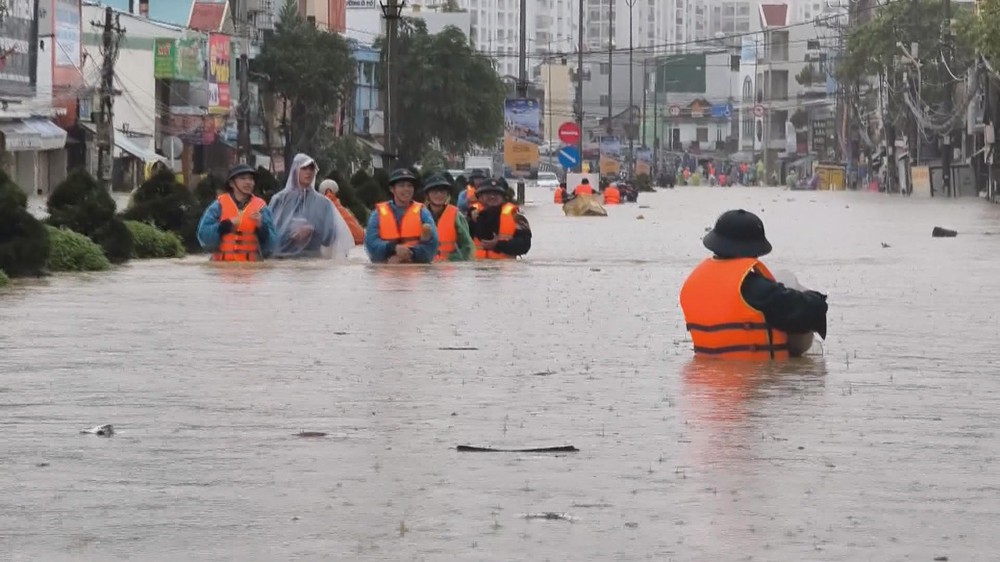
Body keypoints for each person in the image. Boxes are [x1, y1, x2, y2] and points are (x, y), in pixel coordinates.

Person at [679, 209, 828, 360]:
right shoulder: (756, 288)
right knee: (786, 279)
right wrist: (817, 298)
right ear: (755, 249)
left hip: (705, 376)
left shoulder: (693, 282)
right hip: (755, 377)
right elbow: (810, 310)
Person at [268, 153, 353, 259]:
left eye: (311, 168)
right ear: (295, 171)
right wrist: (290, 234)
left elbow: (330, 237)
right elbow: (268, 233)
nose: (308, 172)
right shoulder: (279, 200)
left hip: (313, 261)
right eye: (304, 168)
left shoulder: (324, 203)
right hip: (281, 262)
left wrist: (312, 230)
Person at [196, 164, 278, 261]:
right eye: (243, 178)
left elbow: (271, 246)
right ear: (231, 183)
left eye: (251, 179)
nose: (248, 182)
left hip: (252, 269)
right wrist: (226, 225)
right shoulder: (218, 205)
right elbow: (203, 237)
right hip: (222, 269)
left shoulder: (261, 207)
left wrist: (262, 227)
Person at [364, 168, 439, 264]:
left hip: (415, 269)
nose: (406, 189)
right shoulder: (377, 214)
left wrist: (411, 254)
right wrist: (393, 249)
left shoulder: (423, 212)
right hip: (386, 270)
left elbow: (433, 245)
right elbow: (371, 244)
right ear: (392, 189)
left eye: (409, 185)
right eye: (401, 185)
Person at [467, 178, 531, 259]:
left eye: (497, 193)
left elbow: (524, 245)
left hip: (505, 269)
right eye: (488, 193)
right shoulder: (470, 217)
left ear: (503, 197)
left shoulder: (516, 216)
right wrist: (470, 218)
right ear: (480, 197)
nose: (492, 196)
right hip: (477, 269)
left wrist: (498, 245)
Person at [422, 174, 474, 262]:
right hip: (425, 267)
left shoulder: (456, 215)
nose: (439, 195)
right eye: (435, 191)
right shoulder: (420, 214)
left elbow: (467, 247)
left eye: (443, 191)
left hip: (450, 268)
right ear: (427, 195)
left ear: (447, 194)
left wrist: (452, 259)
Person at [318, 179, 365, 245]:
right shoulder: (343, 210)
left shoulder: (338, 210)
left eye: (330, 192)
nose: (329, 195)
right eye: (327, 192)